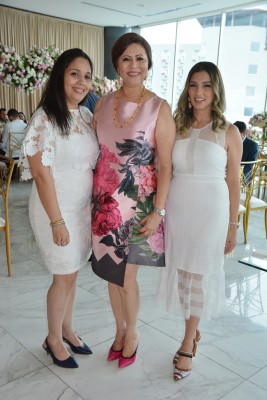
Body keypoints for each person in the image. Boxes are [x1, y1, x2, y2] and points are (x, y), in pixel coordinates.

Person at [91, 32, 176, 368]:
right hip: (103, 203)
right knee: (110, 273)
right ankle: (119, 331)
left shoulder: (159, 107)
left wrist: (159, 211)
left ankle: (134, 332)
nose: (134, 65)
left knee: (127, 277)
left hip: (138, 205)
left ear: (149, 64)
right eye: (127, 58)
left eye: (140, 58)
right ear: (116, 64)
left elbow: (166, 166)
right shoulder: (102, 102)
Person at [158, 61, 242, 381]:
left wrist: (233, 225)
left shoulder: (228, 131)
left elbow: (233, 182)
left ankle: (187, 342)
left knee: (198, 274)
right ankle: (192, 332)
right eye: (193, 85)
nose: (199, 92)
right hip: (179, 208)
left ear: (216, 89)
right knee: (183, 274)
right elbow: (164, 169)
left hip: (212, 210)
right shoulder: (177, 126)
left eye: (206, 85)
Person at [20, 48, 99, 369]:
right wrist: (56, 221)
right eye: (74, 74)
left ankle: (67, 329)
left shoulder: (84, 115)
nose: (82, 82)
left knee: (73, 273)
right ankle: (53, 339)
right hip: (56, 210)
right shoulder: (44, 118)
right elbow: (40, 173)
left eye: (87, 76)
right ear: (60, 76)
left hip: (81, 209)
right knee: (62, 276)